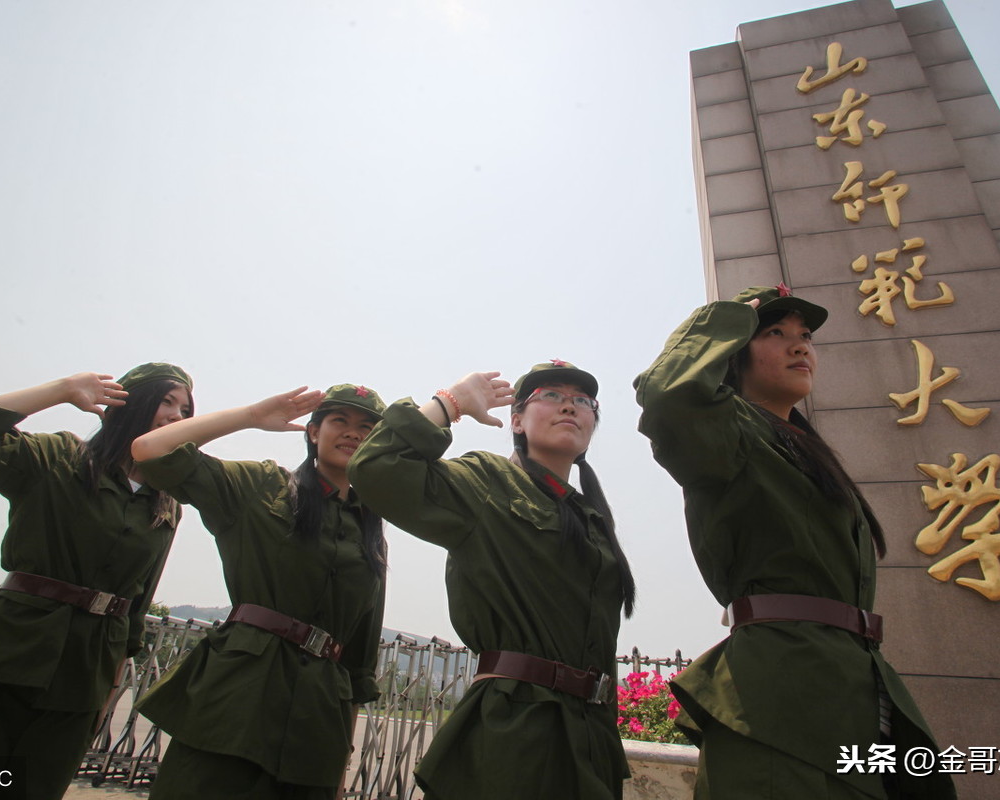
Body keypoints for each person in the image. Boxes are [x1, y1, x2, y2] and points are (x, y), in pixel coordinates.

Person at [634, 285, 955, 799]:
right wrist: (732, 315)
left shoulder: (805, 450)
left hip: (848, 686)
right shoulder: (728, 435)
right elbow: (669, 395)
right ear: (733, 354)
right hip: (776, 700)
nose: (801, 346)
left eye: (805, 336)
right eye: (776, 333)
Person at [348, 361, 637, 800]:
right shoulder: (487, 482)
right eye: (552, 397)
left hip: (590, 740)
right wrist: (451, 403)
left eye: (583, 401)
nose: (570, 408)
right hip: (516, 732)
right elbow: (375, 467)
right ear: (516, 420)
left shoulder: (590, 517)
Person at [0, 363, 194, 800]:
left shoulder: (165, 506)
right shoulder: (61, 459)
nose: (178, 415)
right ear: (127, 403)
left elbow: (136, 611)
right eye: (167, 401)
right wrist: (61, 390)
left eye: (186, 409)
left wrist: (108, 691)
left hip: (82, 679)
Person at [129, 383, 388, 800]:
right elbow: (150, 450)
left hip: (317, 720)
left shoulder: (371, 529)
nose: (354, 433)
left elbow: (358, 662)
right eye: (340, 421)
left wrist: (338, 761)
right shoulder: (262, 486)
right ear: (312, 432)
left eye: (367, 428)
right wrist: (250, 416)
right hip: (236, 699)